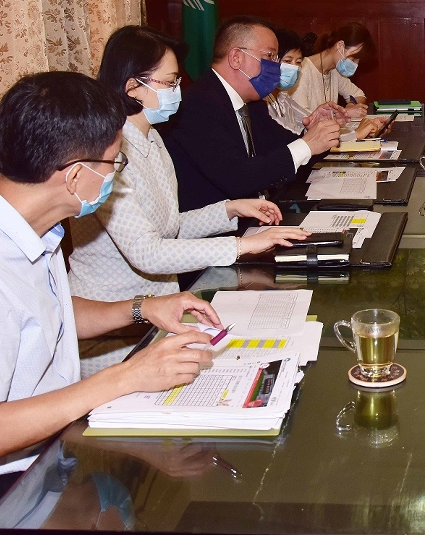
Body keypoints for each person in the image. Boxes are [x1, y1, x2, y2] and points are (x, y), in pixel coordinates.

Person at [0, 72, 222, 535]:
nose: (116, 176)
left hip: (48, 456)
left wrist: (141, 308)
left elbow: (44, 313)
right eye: (114, 163)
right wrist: (125, 377)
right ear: (75, 176)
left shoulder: (31, 225)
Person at [69, 26, 308, 376]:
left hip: (159, 315)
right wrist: (241, 246)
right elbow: (147, 251)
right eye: (169, 83)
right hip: (114, 333)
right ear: (133, 87)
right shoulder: (105, 152)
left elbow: (169, 225)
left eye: (177, 81)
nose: (178, 92)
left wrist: (229, 210)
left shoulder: (152, 139)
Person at [163, 16, 343, 212]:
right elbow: (237, 178)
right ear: (236, 58)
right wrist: (307, 144)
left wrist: (315, 133)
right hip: (219, 226)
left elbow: (284, 150)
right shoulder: (197, 105)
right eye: (269, 56)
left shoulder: (252, 103)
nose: (276, 67)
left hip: (258, 214)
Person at [293, 22, 376, 118]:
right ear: (340, 45)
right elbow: (303, 119)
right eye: (353, 59)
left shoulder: (335, 70)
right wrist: (344, 113)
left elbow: (359, 95)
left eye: (358, 61)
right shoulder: (302, 70)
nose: (355, 65)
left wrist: (351, 105)